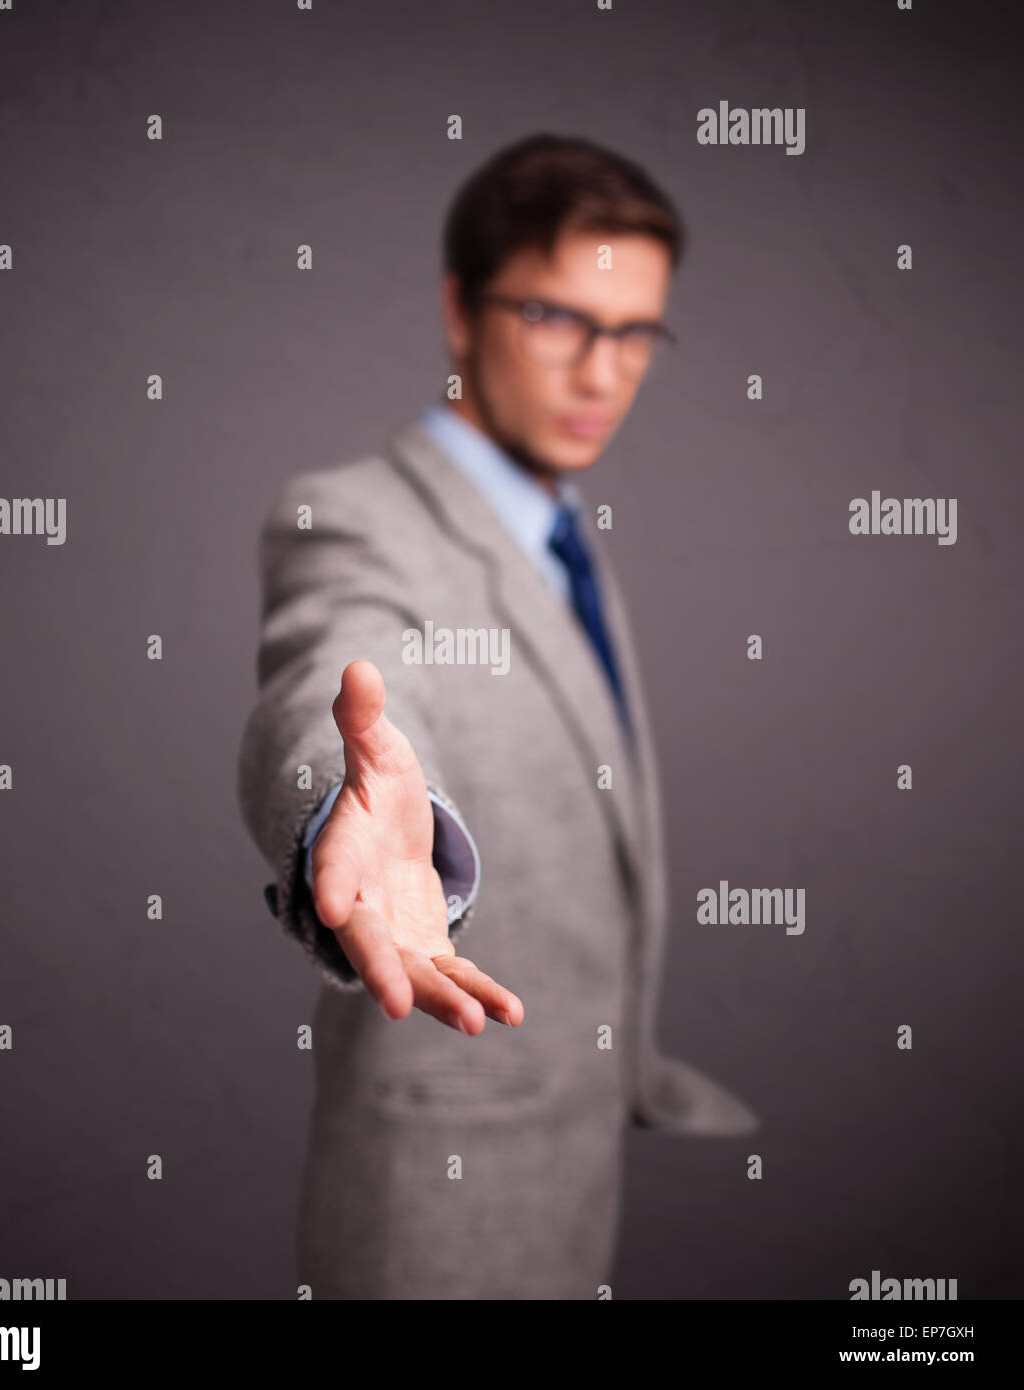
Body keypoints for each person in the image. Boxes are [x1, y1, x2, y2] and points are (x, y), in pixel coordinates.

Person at [236, 132, 758, 1300]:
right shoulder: (356, 516)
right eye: (558, 319)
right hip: (437, 1203)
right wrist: (340, 806)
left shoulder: (558, 534)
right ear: (460, 310)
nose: (603, 373)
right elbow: (329, 658)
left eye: (634, 333)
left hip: (565, 1172)